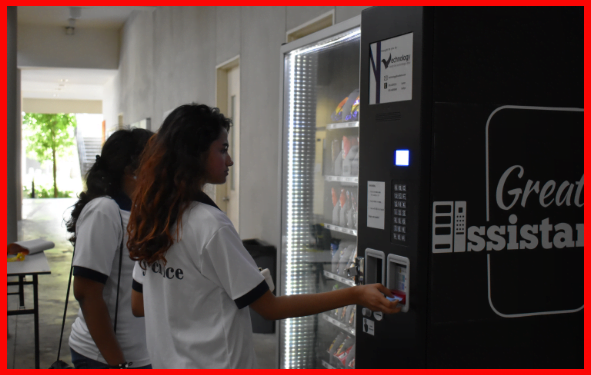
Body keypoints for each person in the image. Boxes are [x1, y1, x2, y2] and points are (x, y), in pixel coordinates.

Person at [127, 104, 401, 369]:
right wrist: (356, 294)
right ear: (194, 155)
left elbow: (138, 305)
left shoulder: (152, 216)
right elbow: (271, 309)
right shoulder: (210, 226)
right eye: (223, 150)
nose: (230, 160)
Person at [65, 128, 154, 369]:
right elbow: (87, 292)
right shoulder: (104, 211)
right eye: (155, 159)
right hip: (104, 357)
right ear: (130, 169)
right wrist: (118, 364)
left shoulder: (140, 211)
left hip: (142, 354)